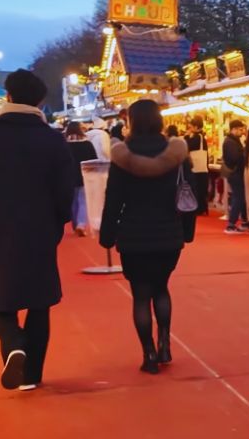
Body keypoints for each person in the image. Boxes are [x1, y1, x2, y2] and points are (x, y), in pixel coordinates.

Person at [0, 69, 75, 392]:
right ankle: (32, 374)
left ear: (7, 96)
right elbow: (65, 190)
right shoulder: (52, 139)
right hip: (40, 227)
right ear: (40, 100)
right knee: (40, 300)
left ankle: (13, 343)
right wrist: (56, 222)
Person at [100, 100, 193, 374]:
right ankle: (165, 343)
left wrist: (107, 234)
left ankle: (148, 353)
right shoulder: (177, 153)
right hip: (168, 231)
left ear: (132, 121)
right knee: (162, 288)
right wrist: (187, 232)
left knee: (141, 295)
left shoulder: (121, 156)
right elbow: (188, 193)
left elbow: (113, 199)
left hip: (133, 233)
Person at [64, 121, 97, 236]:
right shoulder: (87, 144)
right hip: (84, 176)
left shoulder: (64, 144)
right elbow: (94, 159)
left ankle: (75, 224)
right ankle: (81, 224)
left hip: (69, 177)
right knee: (83, 201)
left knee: (72, 202)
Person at [221, 119, 248, 234]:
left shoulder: (233, 141)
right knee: (239, 197)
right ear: (234, 129)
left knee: (240, 197)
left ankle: (245, 222)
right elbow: (235, 158)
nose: (242, 132)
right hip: (235, 173)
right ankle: (231, 224)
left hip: (236, 173)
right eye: (240, 129)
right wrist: (244, 155)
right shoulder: (230, 142)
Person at [185, 116, 211, 215]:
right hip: (202, 168)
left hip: (197, 168)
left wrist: (187, 136)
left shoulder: (197, 137)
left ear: (196, 127)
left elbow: (186, 145)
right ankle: (202, 208)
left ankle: (199, 209)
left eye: (191, 127)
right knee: (201, 189)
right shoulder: (201, 137)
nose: (190, 129)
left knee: (197, 189)